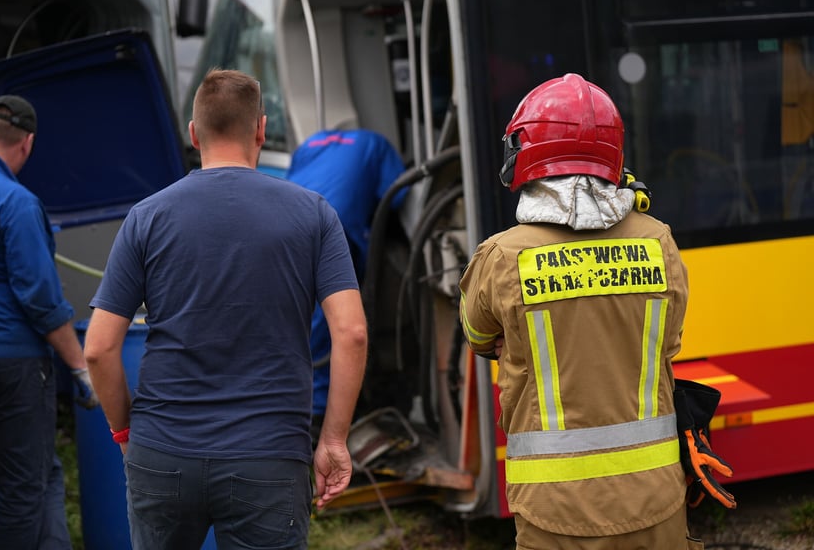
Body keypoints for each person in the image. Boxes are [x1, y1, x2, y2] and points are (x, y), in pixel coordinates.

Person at [83, 69, 367, 550]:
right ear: (260, 128)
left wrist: (126, 432)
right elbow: (352, 334)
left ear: (194, 134)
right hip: (269, 455)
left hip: (163, 451)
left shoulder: (147, 217)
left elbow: (97, 349)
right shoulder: (314, 213)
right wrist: (334, 440)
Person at [458, 73, 733, 550]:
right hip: (656, 500)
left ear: (526, 154)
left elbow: (479, 337)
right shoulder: (657, 240)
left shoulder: (502, 257)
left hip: (552, 509)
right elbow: (668, 343)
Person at [0, 94, 99, 549]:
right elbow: (41, 299)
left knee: (41, 469)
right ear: (26, 145)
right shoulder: (15, 202)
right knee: (23, 486)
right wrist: (81, 368)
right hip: (13, 365)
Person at [285, 128, 405, 431]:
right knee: (328, 322)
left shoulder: (310, 143)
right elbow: (397, 194)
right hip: (330, 229)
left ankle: (291, 406)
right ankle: (316, 415)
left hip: (285, 227)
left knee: (293, 320)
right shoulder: (376, 142)